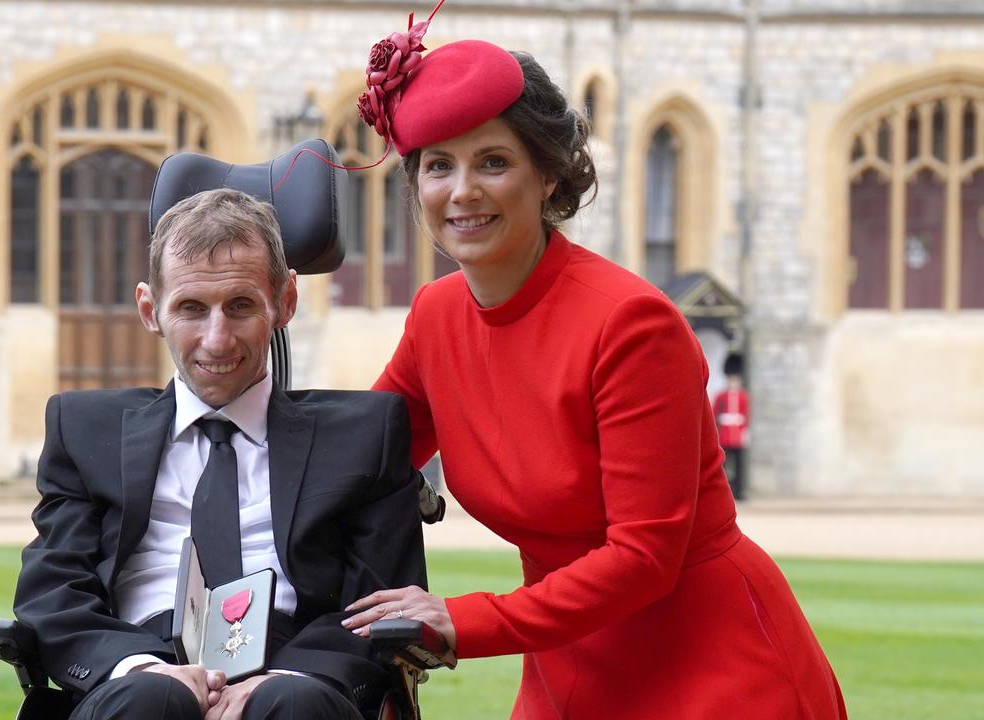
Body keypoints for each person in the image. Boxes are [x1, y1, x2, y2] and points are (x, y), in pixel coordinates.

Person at [339, 27, 847, 720]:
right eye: (437, 166)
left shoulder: (632, 323)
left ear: (547, 174)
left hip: (711, 668)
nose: (462, 192)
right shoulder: (435, 316)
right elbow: (356, 457)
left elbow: (643, 556)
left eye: (493, 162)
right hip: (566, 668)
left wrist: (464, 619)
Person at [15, 188, 426, 720]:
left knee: (293, 705)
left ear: (285, 302)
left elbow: (383, 604)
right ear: (150, 310)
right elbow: (52, 593)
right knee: (150, 700)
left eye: (241, 306)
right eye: (191, 308)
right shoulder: (85, 429)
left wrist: (292, 674)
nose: (217, 339)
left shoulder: (366, 434)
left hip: (298, 670)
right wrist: (138, 666)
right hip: (137, 663)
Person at [713, 353, 751, 501]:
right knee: (724, 465)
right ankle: (726, 492)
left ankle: (739, 491)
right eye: (731, 379)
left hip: (738, 433)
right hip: (725, 434)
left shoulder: (743, 396)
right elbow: (715, 414)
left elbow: (746, 416)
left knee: (739, 466)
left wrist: (746, 433)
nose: (733, 381)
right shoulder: (720, 396)